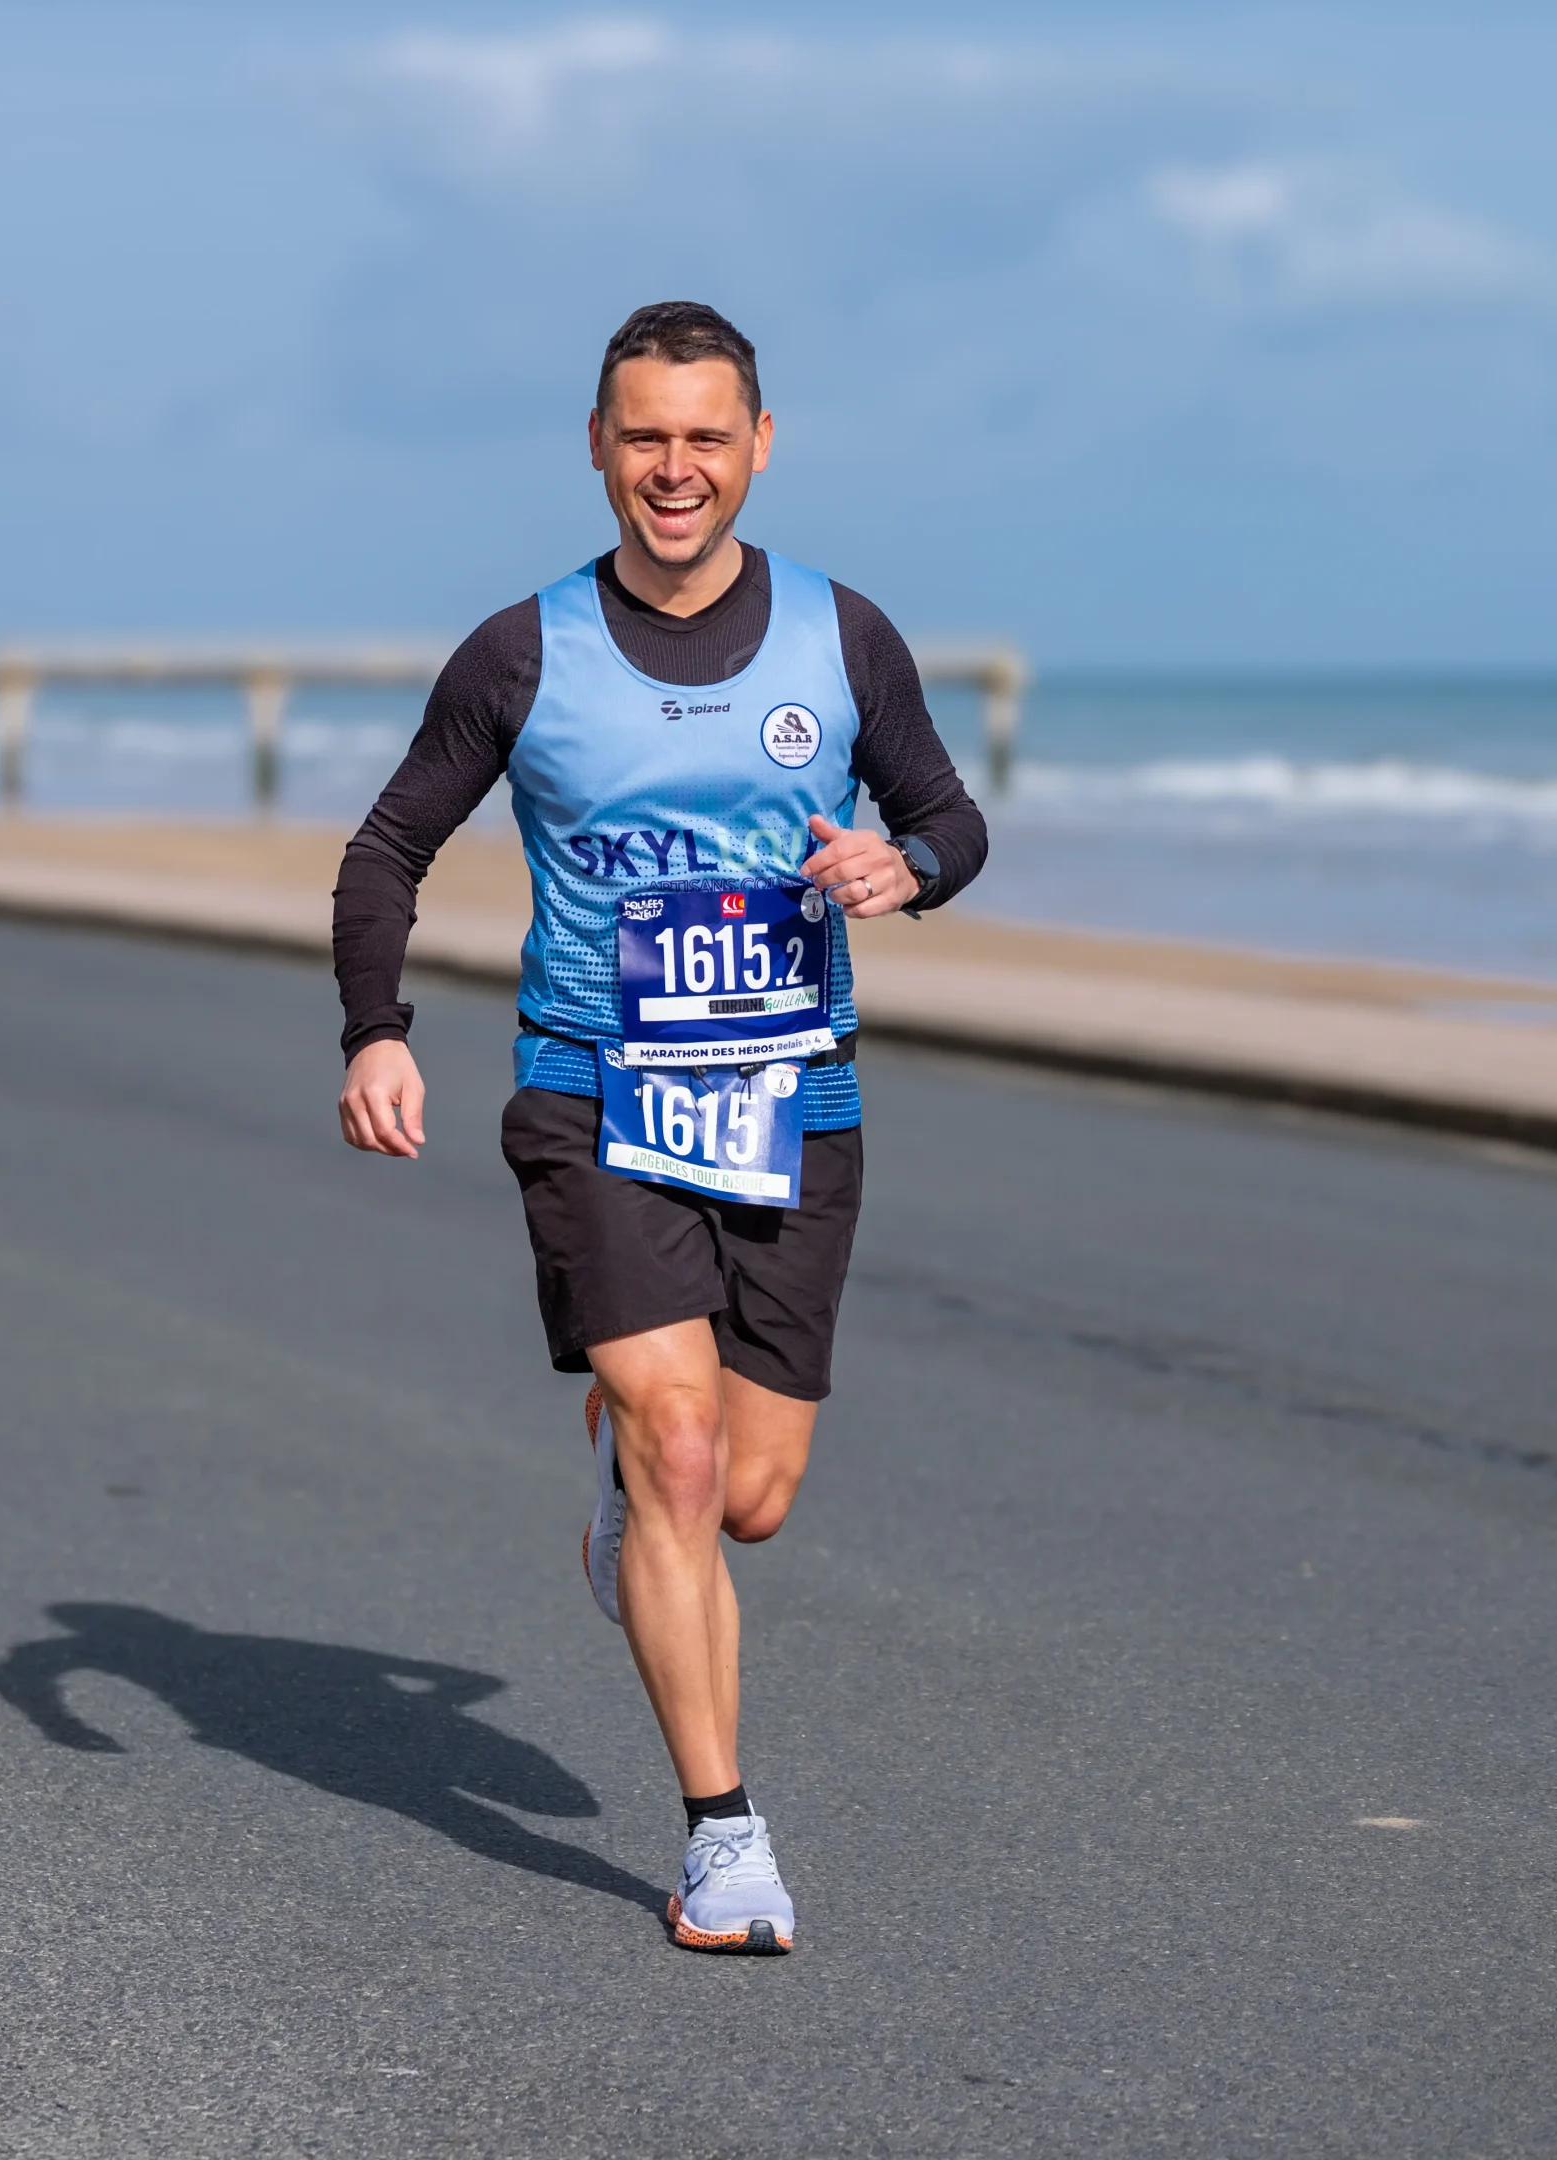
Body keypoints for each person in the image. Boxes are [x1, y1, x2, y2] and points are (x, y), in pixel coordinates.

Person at [333, 302, 987, 1953]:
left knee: (749, 1494)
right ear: (599, 449)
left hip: (791, 1098)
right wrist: (377, 1036)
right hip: (592, 1093)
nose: (675, 470)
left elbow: (948, 815)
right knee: (680, 1442)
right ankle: (722, 1839)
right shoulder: (521, 650)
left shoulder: (841, 637)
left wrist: (899, 871)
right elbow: (385, 850)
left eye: (706, 437)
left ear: (758, 445)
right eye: (644, 437)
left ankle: (636, 1506)